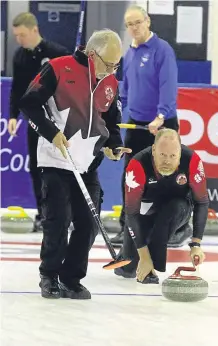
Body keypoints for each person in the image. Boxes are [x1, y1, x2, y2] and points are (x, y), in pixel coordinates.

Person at [19, 29, 131, 300]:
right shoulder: (58, 68)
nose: (112, 71)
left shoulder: (110, 82)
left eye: (117, 65)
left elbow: (111, 120)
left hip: (87, 163)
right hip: (57, 159)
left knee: (88, 224)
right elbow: (29, 103)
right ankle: (49, 276)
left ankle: (72, 278)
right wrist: (50, 132)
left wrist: (113, 145)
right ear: (92, 55)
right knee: (58, 221)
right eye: (108, 64)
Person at [111, 5, 185, 250]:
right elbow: (127, 87)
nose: (133, 28)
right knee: (130, 176)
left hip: (161, 124)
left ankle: (179, 227)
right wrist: (122, 108)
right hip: (137, 124)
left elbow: (168, 84)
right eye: (129, 24)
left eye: (137, 23)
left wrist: (161, 115)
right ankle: (127, 227)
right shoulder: (129, 52)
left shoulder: (162, 50)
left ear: (148, 21)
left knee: (169, 176)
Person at [119, 129, 208, 282]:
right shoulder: (137, 164)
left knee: (170, 212)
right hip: (147, 210)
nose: (167, 161)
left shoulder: (192, 160)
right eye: (162, 155)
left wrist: (196, 244)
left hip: (178, 208)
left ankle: (155, 266)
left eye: (173, 156)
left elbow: (201, 202)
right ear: (154, 150)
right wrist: (143, 255)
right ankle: (127, 255)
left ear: (180, 153)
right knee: (128, 269)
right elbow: (131, 213)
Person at [8, 12, 70, 232]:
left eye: (22, 35)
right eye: (16, 35)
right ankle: (43, 214)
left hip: (58, 123)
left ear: (34, 30)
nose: (19, 40)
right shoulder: (20, 56)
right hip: (34, 121)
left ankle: (64, 213)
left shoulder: (57, 53)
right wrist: (13, 116)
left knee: (60, 168)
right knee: (36, 167)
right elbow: (17, 89)